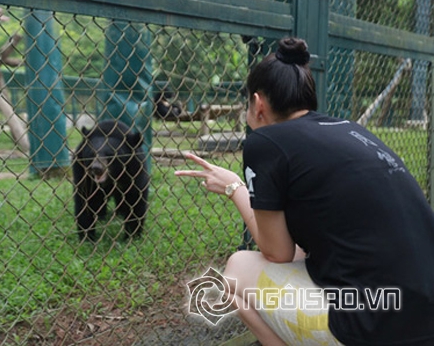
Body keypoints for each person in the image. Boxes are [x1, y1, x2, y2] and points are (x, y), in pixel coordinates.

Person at [175, 37, 434, 345]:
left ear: (258, 105)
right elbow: (297, 249)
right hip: (422, 316)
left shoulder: (266, 142)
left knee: (237, 270)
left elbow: (277, 252)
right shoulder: (350, 130)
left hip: (373, 324)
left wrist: (233, 187)